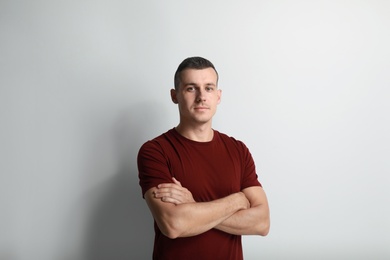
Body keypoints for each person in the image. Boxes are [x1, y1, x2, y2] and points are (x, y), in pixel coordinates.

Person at [137, 56, 270, 260]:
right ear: (175, 95)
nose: (201, 97)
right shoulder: (155, 151)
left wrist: (193, 205)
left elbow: (262, 223)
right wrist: (238, 200)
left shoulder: (238, 150)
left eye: (208, 88)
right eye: (191, 88)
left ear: (218, 95)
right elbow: (174, 225)